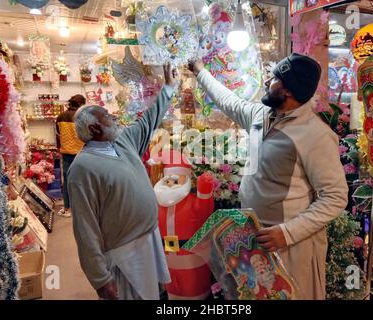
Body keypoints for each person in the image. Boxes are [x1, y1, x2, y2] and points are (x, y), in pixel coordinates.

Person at [188, 53, 348, 300]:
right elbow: (228, 101)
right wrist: (200, 71)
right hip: (253, 238)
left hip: (288, 245)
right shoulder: (260, 116)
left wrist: (287, 233)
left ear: (287, 90)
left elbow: (335, 197)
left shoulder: (315, 135)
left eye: (273, 78)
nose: (266, 82)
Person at [67, 63, 179, 300]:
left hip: (150, 239)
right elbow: (85, 228)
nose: (114, 116)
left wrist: (168, 88)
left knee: (158, 296)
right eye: (107, 116)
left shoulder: (123, 140)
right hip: (124, 255)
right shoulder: (82, 168)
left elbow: (150, 120)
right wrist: (99, 278)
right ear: (95, 127)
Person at [152, 149, 214, 300]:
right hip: (168, 249)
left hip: (191, 251)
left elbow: (204, 212)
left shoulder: (192, 201)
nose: (171, 182)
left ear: (186, 179)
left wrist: (205, 190)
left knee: (192, 283)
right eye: (168, 178)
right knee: (173, 281)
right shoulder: (158, 201)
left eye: (176, 178)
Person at [56, 94, 86, 217]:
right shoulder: (83, 116)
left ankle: (67, 209)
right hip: (82, 153)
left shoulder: (61, 116)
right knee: (84, 181)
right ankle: (84, 208)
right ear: (82, 104)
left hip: (67, 153)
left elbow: (58, 135)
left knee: (68, 181)